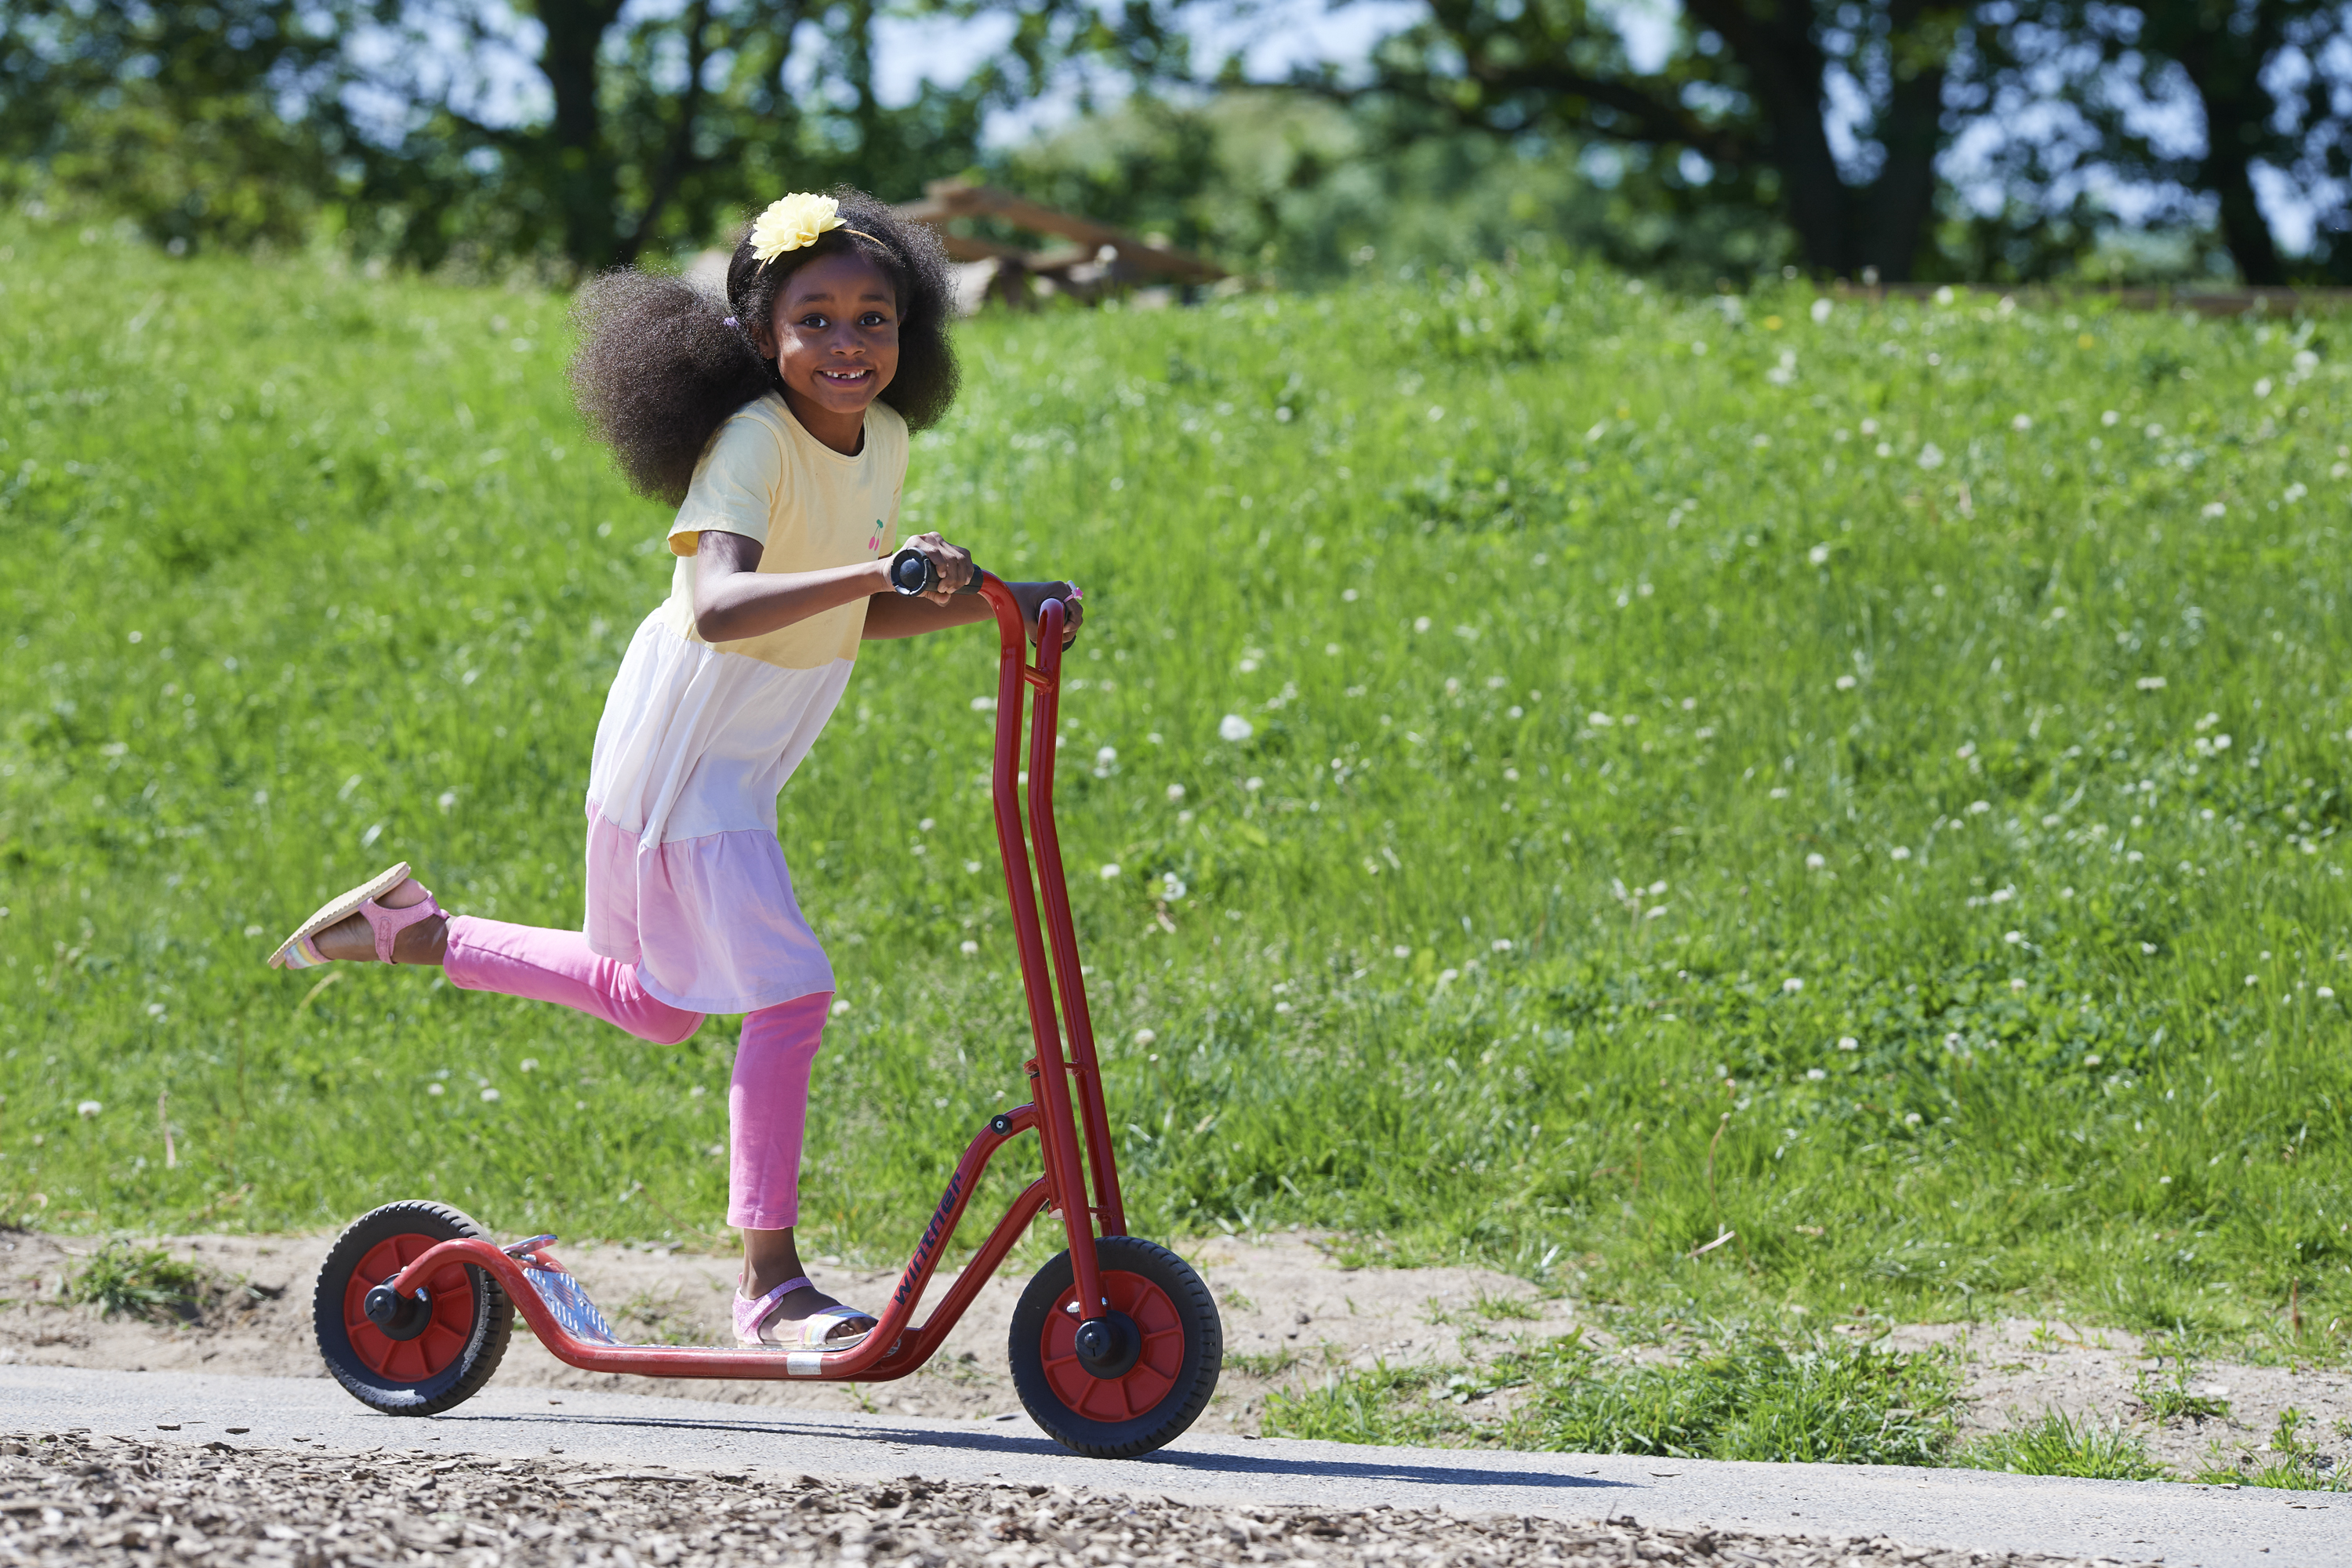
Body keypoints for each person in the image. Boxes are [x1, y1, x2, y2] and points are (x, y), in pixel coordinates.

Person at [265, 189, 1082, 1352]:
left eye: (875, 320)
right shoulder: (751, 444)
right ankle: (770, 1286)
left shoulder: (885, 439)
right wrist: (878, 575)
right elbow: (721, 608)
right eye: (817, 321)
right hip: (686, 747)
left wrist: (995, 598)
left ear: (913, 334)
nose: (849, 346)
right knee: (789, 991)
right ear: (762, 337)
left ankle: (411, 931)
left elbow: (843, 616)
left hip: (749, 750)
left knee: (654, 1003)